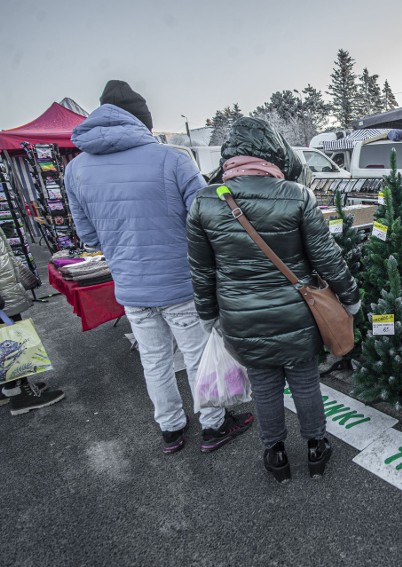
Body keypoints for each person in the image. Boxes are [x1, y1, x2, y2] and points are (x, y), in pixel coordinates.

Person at [64, 80, 253, 454]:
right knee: (198, 356)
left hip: (131, 288)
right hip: (180, 284)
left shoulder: (76, 170)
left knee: (155, 362)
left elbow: (88, 238)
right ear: (141, 121)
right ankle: (213, 427)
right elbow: (208, 219)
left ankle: (171, 430)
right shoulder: (173, 158)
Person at [186, 117, 360, 482]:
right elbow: (326, 256)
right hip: (298, 313)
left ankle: (275, 455)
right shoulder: (297, 196)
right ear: (274, 151)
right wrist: (350, 297)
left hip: (241, 316)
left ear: (230, 154)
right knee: (306, 382)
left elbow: (201, 270)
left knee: (264, 385)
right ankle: (316, 448)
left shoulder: (204, 202)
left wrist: (207, 315)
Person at [0, 232, 64, 414]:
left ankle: (9, 387)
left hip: (6, 288)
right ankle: (18, 392)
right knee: (10, 343)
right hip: (4, 296)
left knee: (7, 339)